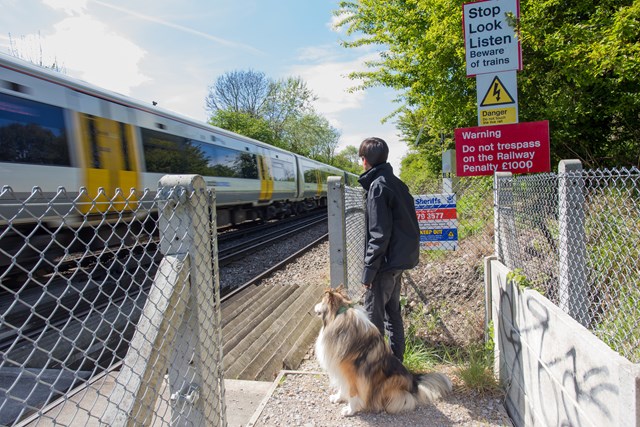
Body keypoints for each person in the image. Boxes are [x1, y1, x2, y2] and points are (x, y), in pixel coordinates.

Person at [358, 137, 420, 362]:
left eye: (361, 159)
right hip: (397, 262)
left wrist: (368, 272)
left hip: (384, 265)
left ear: (365, 161)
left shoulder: (377, 186)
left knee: (373, 322)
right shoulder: (397, 183)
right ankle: (396, 367)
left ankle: (376, 376)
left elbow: (378, 235)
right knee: (393, 314)